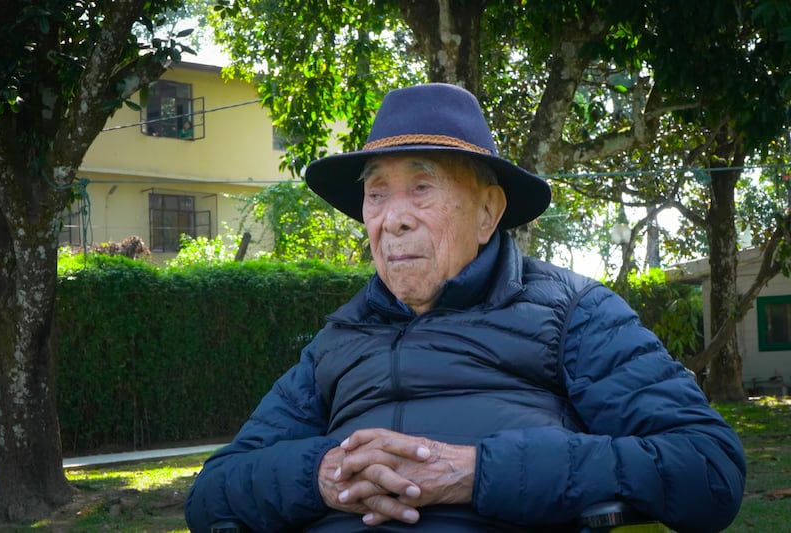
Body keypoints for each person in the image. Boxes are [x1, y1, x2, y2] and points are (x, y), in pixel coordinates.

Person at [184, 83, 745, 532]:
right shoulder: (337, 339)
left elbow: (707, 467)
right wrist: (322, 475)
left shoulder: (575, 313)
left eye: (422, 187)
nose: (391, 218)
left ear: (487, 211)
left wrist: (476, 473)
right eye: (376, 194)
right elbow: (213, 493)